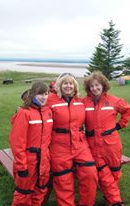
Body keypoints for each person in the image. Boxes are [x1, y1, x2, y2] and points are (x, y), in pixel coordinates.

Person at [47, 73, 98, 206]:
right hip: (59, 144)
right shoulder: (50, 100)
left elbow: (99, 105)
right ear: (59, 85)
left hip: (80, 143)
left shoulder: (81, 101)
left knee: (90, 173)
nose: (68, 86)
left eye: (71, 83)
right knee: (63, 180)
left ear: (75, 86)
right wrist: (21, 110)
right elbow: (34, 108)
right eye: (65, 83)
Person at [83, 71, 130, 206]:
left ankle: (109, 198)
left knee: (115, 172)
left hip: (111, 144)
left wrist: (120, 125)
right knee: (103, 173)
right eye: (91, 86)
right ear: (88, 88)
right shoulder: (83, 102)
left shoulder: (114, 100)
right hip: (93, 145)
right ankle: (115, 201)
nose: (94, 88)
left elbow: (128, 109)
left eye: (97, 85)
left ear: (103, 85)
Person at [9, 81, 53, 206]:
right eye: (40, 94)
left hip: (44, 160)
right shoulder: (24, 113)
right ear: (33, 94)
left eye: (46, 94)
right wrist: (21, 166)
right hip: (28, 162)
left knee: (40, 190)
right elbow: (17, 142)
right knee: (23, 194)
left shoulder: (48, 112)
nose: (44, 97)